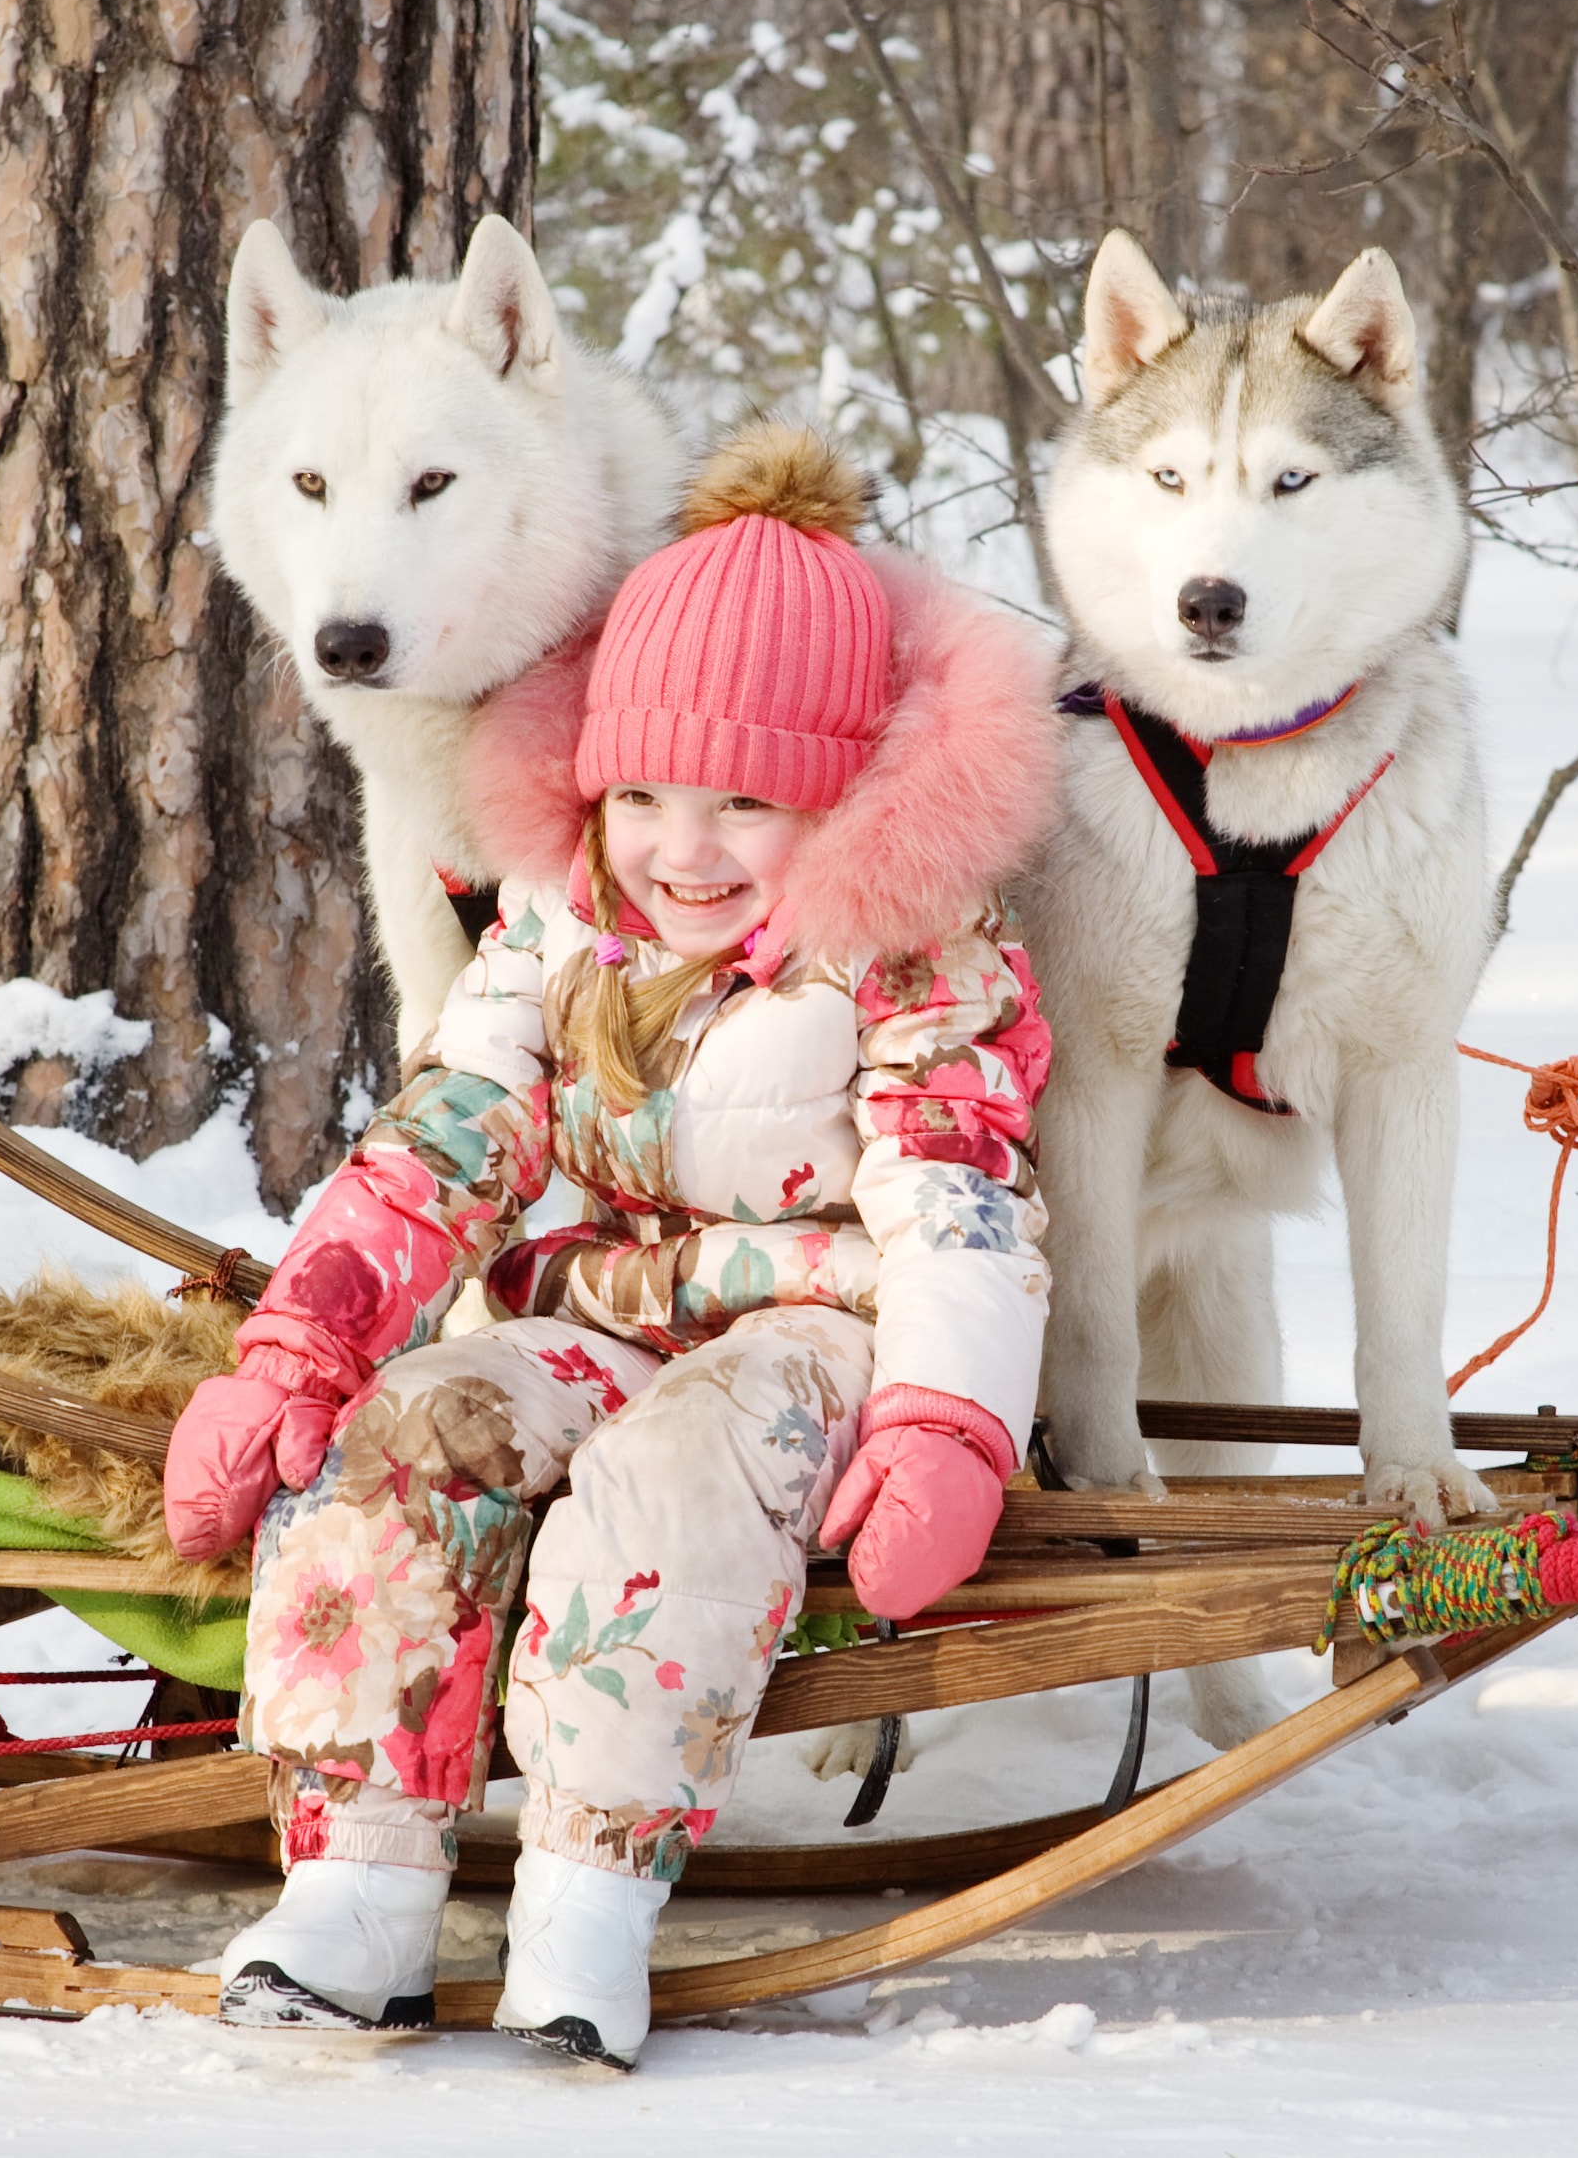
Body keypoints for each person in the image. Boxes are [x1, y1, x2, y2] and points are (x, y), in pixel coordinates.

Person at [161, 424, 1064, 2069]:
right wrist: (301, 1344)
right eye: (642, 790)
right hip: (597, 1303)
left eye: (744, 802)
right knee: (409, 1430)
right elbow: (448, 1131)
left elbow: (958, 1198)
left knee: (671, 1478)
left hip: (816, 1330)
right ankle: (355, 1888)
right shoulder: (565, 916)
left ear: (844, 789)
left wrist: (947, 1422)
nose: (682, 846)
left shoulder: (916, 952)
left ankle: (589, 1892)